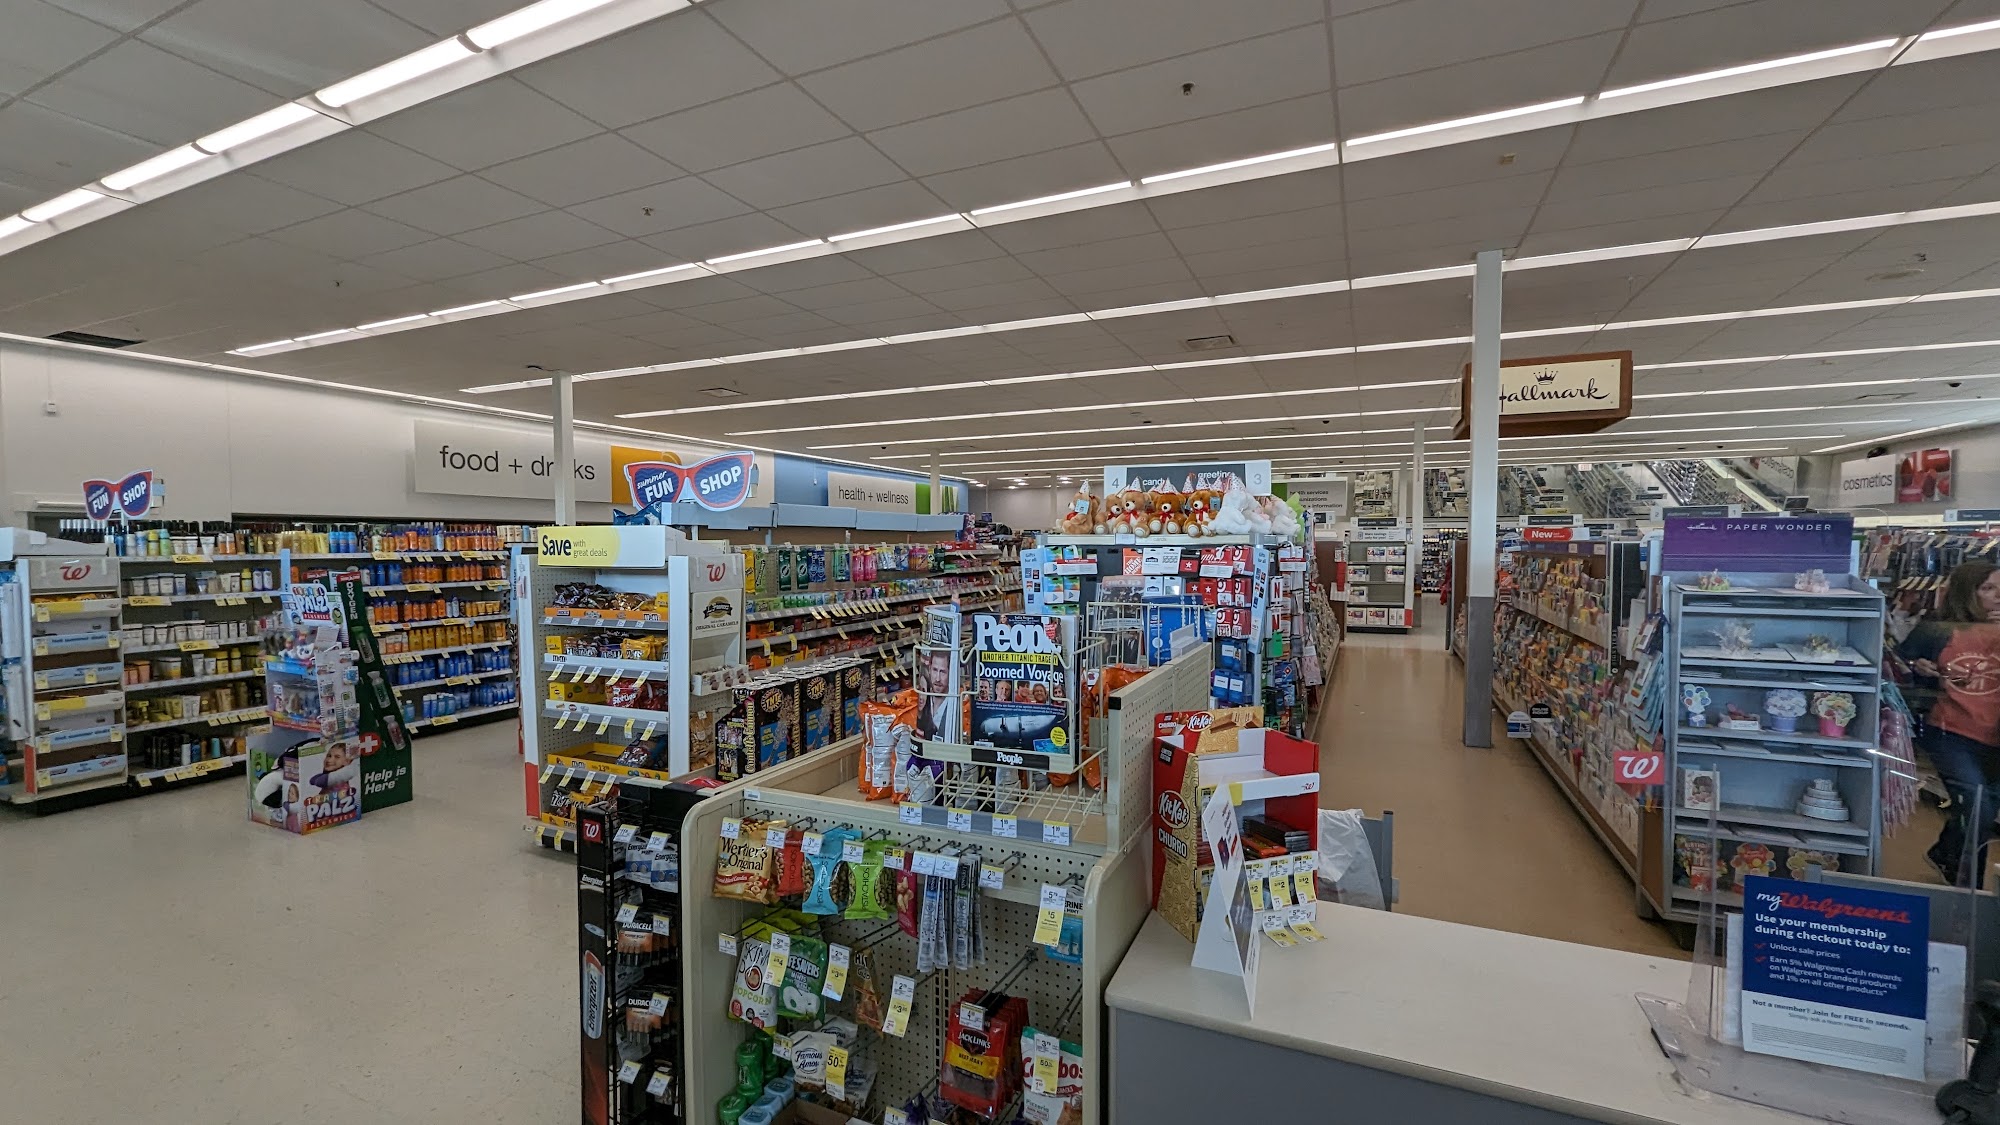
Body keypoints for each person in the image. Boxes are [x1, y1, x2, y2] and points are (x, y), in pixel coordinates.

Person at [1898, 560, 2000, 884]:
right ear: (1967, 593)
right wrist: (1918, 666)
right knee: (1978, 809)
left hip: (1994, 735)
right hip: (1950, 730)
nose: (1998, 596)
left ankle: (1945, 853)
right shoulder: (1939, 629)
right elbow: (1899, 662)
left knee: (1982, 809)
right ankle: (1968, 889)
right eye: (1988, 588)